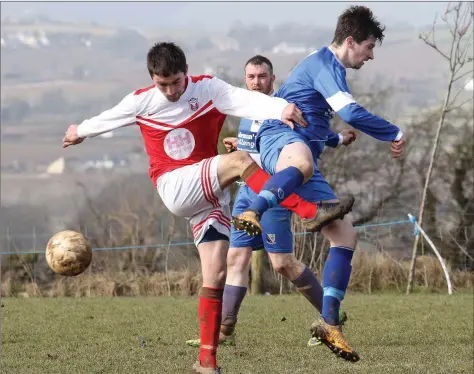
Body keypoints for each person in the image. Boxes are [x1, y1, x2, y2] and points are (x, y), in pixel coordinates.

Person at [62, 42, 352, 374]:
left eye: (175, 82)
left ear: (186, 72)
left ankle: (206, 362)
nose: (170, 91)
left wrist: (279, 108)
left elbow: (243, 100)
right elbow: (108, 118)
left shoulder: (208, 89)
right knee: (241, 161)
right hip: (174, 184)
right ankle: (308, 211)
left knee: (215, 273)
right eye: (162, 84)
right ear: (152, 79)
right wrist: (79, 131)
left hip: (209, 194)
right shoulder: (141, 101)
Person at [233, 6, 407, 362]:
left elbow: (320, 124)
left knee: (345, 234)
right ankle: (254, 209)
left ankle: (329, 323)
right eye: (370, 46)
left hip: (303, 155)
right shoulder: (325, 64)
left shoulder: (329, 69)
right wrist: (395, 132)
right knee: (302, 162)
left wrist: (338, 141)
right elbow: (353, 113)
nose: (371, 55)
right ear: (350, 41)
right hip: (278, 137)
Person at [186, 55, 355, 349]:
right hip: (248, 191)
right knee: (235, 258)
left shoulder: (282, 106)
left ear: (272, 79)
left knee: (282, 263)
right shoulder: (246, 108)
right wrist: (240, 145)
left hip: (275, 191)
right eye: (251, 77)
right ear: (245, 79)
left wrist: (338, 139)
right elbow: (257, 140)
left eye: (262, 76)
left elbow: (312, 131)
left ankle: (331, 319)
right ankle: (225, 330)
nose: (256, 82)